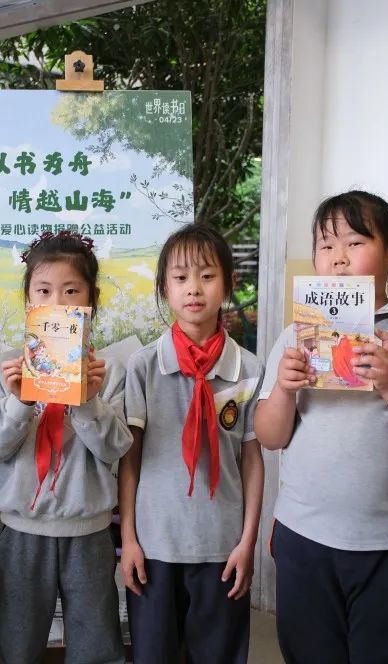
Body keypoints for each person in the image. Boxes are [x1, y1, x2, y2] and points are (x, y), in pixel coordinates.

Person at [254, 190, 388, 663]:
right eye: (326, 245)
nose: (339, 258)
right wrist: (284, 389)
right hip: (304, 534)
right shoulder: (296, 336)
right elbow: (270, 436)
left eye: (355, 242)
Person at [0, 230, 131, 664]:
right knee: (17, 646)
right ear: (28, 300)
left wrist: (88, 400)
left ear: (91, 300)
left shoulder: (109, 372)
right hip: (20, 531)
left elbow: (115, 449)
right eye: (44, 291)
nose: (58, 303)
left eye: (71, 291)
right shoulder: (4, 367)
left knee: (96, 647)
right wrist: (19, 401)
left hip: (89, 532)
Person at [121, 224, 264, 663]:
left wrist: (247, 543)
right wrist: (128, 539)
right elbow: (130, 458)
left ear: (229, 283)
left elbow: (252, 459)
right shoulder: (144, 366)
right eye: (181, 278)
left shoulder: (249, 369)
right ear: (165, 288)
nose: (194, 289)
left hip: (222, 548)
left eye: (207, 276)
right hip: (154, 547)